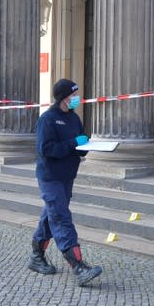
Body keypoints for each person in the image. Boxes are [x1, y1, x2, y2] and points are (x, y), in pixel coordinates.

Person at [28, 78, 103, 286]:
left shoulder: (74, 118)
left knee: (51, 215)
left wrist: (86, 144)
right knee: (60, 217)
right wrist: (72, 143)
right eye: (73, 95)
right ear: (63, 97)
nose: (76, 98)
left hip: (67, 175)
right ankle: (78, 266)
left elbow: (79, 145)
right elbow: (46, 149)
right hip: (50, 177)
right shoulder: (48, 119)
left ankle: (36, 256)